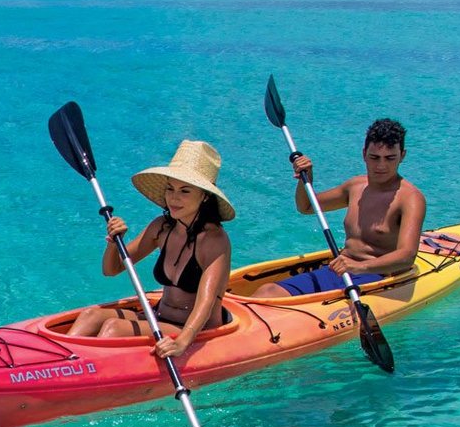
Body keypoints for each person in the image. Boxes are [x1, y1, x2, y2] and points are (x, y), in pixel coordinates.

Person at [69, 140, 233, 359]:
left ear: (204, 196)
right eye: (170, 189)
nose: (174, 198)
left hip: (196, 329)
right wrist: (113, 241)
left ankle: (81, 372)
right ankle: (59, 364)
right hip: (160, 318)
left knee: (114, 328)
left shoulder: (214, 240)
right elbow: (112, 269)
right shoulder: (162, 227)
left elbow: (207, 301)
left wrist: (182, 343)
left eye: (185, 191)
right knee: (90, 316)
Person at [254, 118, 426, 298]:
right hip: (340, 269)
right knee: (267, 291)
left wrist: (359, 267)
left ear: (402, 156)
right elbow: (306, 207)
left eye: (390, 158)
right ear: (364, 154)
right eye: (374, 157)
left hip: (377, 277)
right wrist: (306, 180)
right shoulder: (355, 187)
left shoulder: (410, 198)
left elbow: (407, 255)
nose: (381, 166)